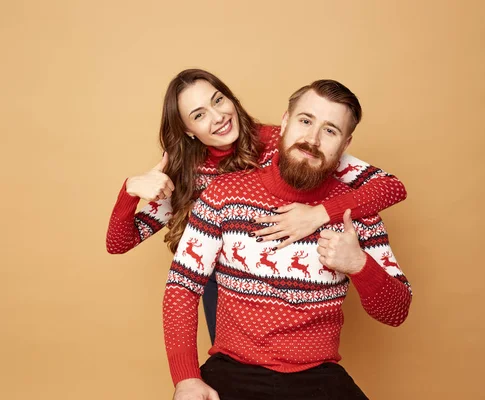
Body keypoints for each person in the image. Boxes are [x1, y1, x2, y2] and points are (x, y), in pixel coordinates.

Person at [106, 69, 408, 343]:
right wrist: (129, 192)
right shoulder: (188, 174)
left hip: (298, 278)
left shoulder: (283, 140)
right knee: (234, 363)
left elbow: (391, 187)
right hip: (224, 285)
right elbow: (119, 242)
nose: (218, 117)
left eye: (218, 100)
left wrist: (318, 215)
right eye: (199, 116)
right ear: (187, 130)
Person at [163, 79, 412, 400]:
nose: (312, 139)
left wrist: (360, 265)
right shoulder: (222, 196)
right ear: (284, 123)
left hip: (318, 377)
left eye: (330, 130)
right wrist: (185, 379)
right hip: (233, 369)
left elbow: (396, 312)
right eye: (305, 121)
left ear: (345, 144)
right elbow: (181, 287)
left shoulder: (358, 212)